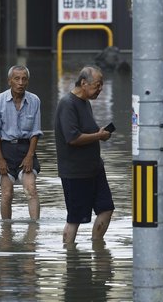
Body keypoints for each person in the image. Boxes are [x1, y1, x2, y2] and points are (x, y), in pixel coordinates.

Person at [54, 65, 114, 243]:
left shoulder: (86, 103)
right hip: (75, 172)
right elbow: (72, 138)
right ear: (83, 83)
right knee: (74, 219)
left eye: (102, 85)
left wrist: (99, 133)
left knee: (106, 208)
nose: (100, 89)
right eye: (97, 85)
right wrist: (99, 135)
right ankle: (70, 258)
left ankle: (97, 246)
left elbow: (87, 131)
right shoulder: (67, 104)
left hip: (94, 168)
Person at [0, 65, 42, 220]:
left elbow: (35, 132)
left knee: (31, 189)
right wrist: (0, 159)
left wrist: (30, 156)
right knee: (7, 193)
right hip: (4, 149)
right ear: (9, 81)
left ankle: (34, 232)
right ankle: (6, 233)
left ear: (28, 82)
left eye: (24, 79)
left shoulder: (34, 100)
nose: (20, 82)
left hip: (26, 148)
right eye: (16, 79)